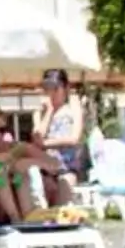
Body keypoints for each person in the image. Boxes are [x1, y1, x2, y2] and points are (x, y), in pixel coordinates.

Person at [0, 106, 66, 227]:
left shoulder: (17, 147)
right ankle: (17, 219)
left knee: (20, 169)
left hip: (19, 204)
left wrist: (30, 162)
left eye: (2, 130)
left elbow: (56, 164)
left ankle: (23, 219)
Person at [33, 69, 88, 207]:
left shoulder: (72, 107)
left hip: (66, 167)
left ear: (65, 88)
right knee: (47, 210)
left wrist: (46, 143)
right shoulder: (40, 112)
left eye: (55, 88)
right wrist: (49, 111)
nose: (51, 93)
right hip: (45, 169)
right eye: (47, 88)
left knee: (63, 208)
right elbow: (37, 137)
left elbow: (74, 138)